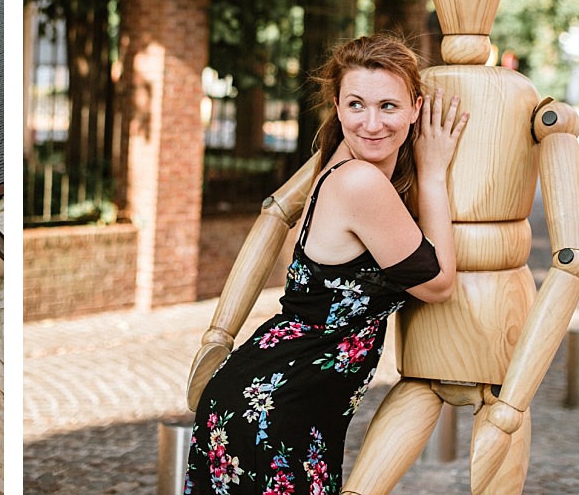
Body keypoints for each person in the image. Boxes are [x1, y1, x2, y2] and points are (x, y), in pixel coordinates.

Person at [183, 34, 466, 494]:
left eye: (388, 106)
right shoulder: (359, 182)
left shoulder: (342, 160)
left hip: (277, 401)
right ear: (337, 106)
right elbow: (437, 285)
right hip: (276, 409)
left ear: (417, 108)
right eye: (356, 105)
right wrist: (433, 173)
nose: (371, 123)